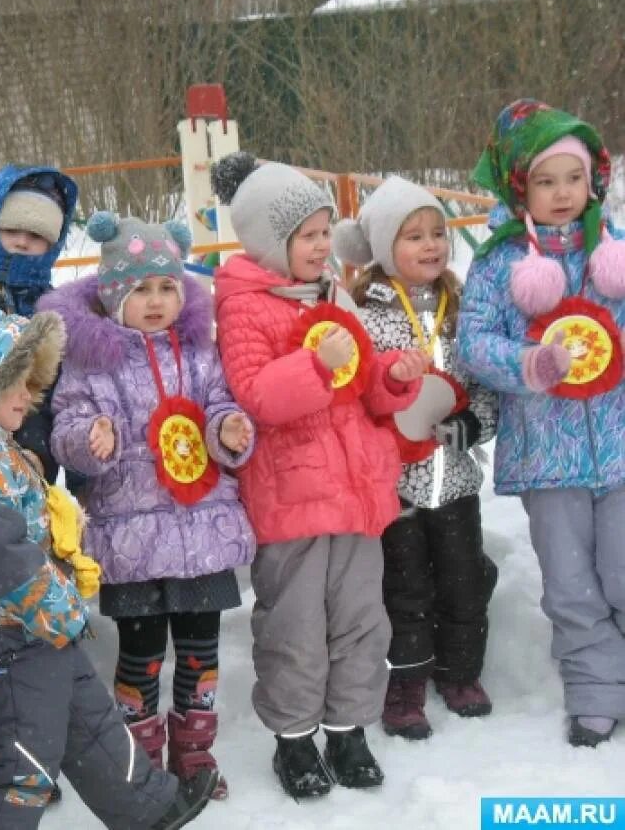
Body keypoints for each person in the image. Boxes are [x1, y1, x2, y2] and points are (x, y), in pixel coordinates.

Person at [0, 290, 217, 829]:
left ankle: (146, 805)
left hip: (29, 624)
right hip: (4, 629)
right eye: (11, 383)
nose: (28, 395)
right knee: (24, 759)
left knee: (88, 719)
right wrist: (59, 605)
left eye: (29, 379)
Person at [211, 151, 426, 798]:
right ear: (269, 242)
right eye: (305, 235)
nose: (319, 245)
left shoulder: (333, 292)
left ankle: (348, 727)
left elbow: (360, 381)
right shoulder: (244, 306)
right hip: (291, 496)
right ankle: (295, 738)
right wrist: (313, 364)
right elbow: (254, 396)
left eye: (324, 231)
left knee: (362, 619)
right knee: (294, 626)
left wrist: (391, 377)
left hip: (356, 491)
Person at [42, 213, 255, 801]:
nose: (156, 300)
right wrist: (91, 439)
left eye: (167, 287)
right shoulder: (89, 361)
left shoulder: (199, 352)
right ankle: (141, 759)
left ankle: (196, 751)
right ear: (113, 296)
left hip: (201, 526)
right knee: (141, 654)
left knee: (199, 652)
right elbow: (67, 428)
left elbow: (218, 405)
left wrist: (228, 428)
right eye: (141, 289)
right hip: (131, 534)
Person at [456, 99, 625, 748]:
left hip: (618, 453)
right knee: (571, 586)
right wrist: (528, 362)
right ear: (520, 185)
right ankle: (593, 694)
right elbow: (472, 342)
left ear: (593, 182)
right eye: (545, 180)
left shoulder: (611, 255)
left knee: (620, 575)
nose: (561, 193)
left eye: (572, 178)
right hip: (547, 460)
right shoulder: (498, 263)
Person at [336, 176, 499, 740]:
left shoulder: (462, 310)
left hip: (454, 481)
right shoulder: (366, 318)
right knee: (403, 588)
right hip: (396, 486)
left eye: (438, 233)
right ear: (385, 249)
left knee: (462, 581)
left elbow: (479, 382)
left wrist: (474, 423)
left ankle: (460, 672)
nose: (431, 245)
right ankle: (404, 684)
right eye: (414, 236)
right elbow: (357, 398)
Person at [0, 164, 79, 480]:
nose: (21, 242)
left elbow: (57, 396)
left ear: (53, 243)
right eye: (11, 231)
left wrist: (38, 451)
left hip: (29, 464)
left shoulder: (53, 312)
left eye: (35, 235)